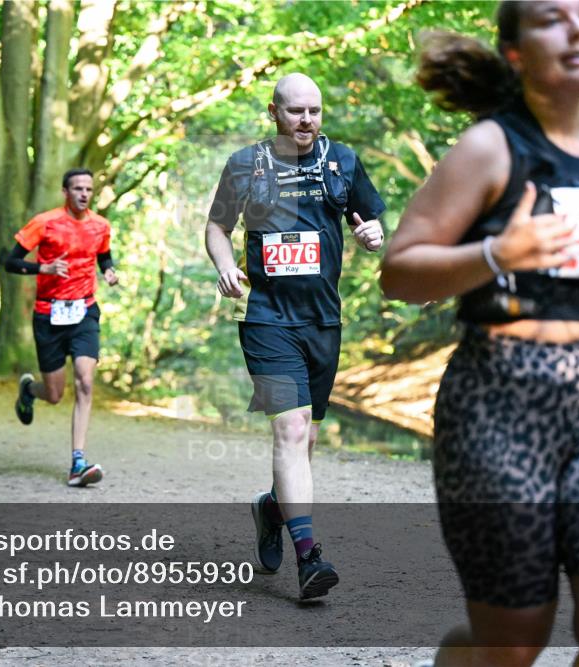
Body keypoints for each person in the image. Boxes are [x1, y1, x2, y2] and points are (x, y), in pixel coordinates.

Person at [380, 1, 579, 665]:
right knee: (511, 644)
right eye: (552, 17)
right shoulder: (490, 148)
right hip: (496, 401)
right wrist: (497, 252)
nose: (578, 28)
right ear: (516, 52)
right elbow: (400, 272)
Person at [205, 73, 386, 600]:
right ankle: (309, 557)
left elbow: (370, 223)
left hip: (322, 321)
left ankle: (271, 508)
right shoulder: (245, 164)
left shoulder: (342, 161)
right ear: (273, 112)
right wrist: (225, 266)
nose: (306, 120)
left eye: (314, 110)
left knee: (305, 441)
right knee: (290, 429)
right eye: (295, 111)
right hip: (266, 318)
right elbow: (217, 227)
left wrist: (372, 235)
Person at [4, 168, 119, 488]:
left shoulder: (100, 225)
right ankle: (30, 390)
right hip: (49, 315)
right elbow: (11, 262)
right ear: (65, 192)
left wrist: (109, 271)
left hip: (84, 312)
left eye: (89, 189)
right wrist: (45, 268)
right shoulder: (45, 223)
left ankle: (77, 462)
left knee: (85, 381)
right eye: (78, 189)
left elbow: (104, 256)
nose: (84, 194)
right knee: (54, 394)